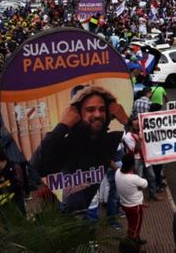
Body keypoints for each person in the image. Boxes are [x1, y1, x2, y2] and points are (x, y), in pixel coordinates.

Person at [30, 85, 128, 213]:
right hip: (70, 216)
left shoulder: (112, 139)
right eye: (90, 109)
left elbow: (141, 147)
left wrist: (127, 121)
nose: (98, 114)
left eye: (102, 109)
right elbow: (38, 166)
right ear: (76, 113)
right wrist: (62, 126)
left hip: (93, 211)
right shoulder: (65, 146)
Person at [115, 153, 148, 246]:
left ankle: (137, 240)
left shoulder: (118, 173)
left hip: (125, 204)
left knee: (131, 224)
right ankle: (132, 246)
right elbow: (145, 184)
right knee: (135, 227)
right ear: (132, 165)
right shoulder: (133, 178)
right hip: (134, 206)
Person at [0, 149, 25, 214]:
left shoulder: (14, 166)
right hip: (2, 205)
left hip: (16, 201)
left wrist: (0, 190)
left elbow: (18, 184)